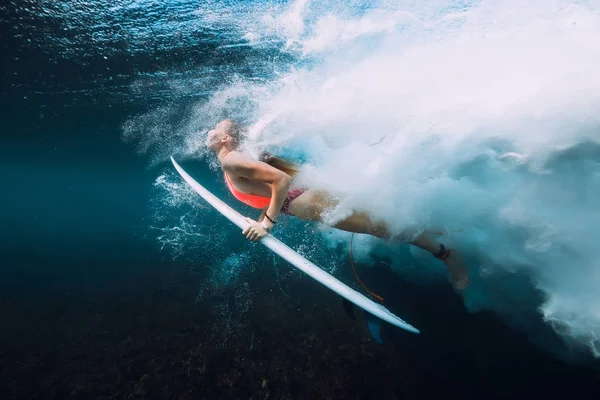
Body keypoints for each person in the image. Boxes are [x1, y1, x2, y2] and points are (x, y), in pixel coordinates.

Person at [205, 119, 469, 290]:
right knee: (380, 221)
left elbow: (281, 181)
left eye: (216, 129)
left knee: (383, 227)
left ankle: (446, 254)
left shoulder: (231, 161)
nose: (210, 131)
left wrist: (266, 225)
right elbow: (269, 189)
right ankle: (434, 233)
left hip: (307, 200)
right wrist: (264, 214)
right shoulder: (233, 160)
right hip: (306, 197)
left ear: (226, 139)